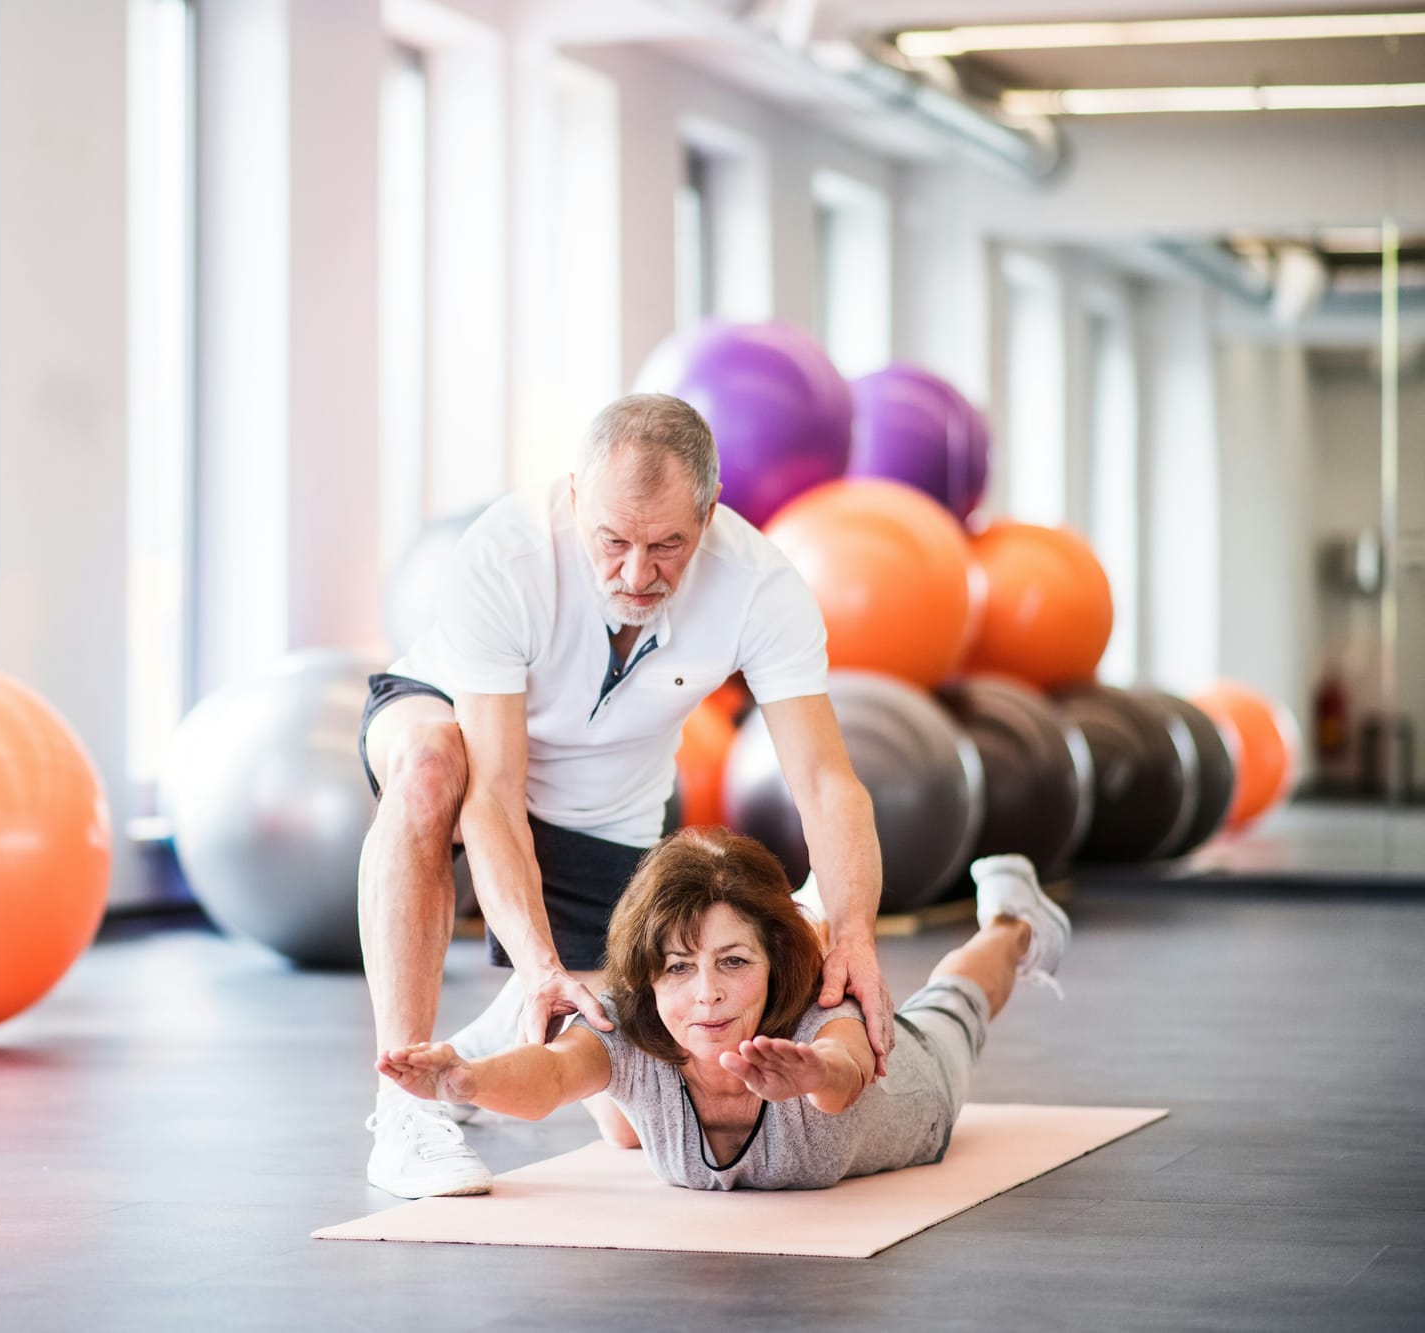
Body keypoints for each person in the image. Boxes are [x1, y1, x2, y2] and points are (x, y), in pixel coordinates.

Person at [357, 392, 891, 1199]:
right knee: (434, 765)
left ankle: (468, 1060)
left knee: (628, 1121)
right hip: (463, 729)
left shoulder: (760, 584)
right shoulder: (509, 553)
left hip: (608, 803)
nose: (637, 573)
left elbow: (826, 779)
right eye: (612, 541)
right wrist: (538, 964)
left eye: (667, 544)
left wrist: (853, 932)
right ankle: (402, 1105)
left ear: (709, 515)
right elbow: (495, 794)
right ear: (576, 500)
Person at [377, 837, 1070, 1191]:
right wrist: (463, 1080)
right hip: (646, 1049)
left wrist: (811, 1075)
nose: (705, 993)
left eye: (734, 963)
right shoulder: (639, 1021)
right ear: (650, 973)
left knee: (953, 1002)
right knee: (617, 1110)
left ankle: (1013, 921)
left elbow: (848, 1070)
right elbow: (554, 1074)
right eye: (678, 966)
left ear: (773, 963)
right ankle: (801, 909)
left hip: (915, 1092)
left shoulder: (818, 1016)